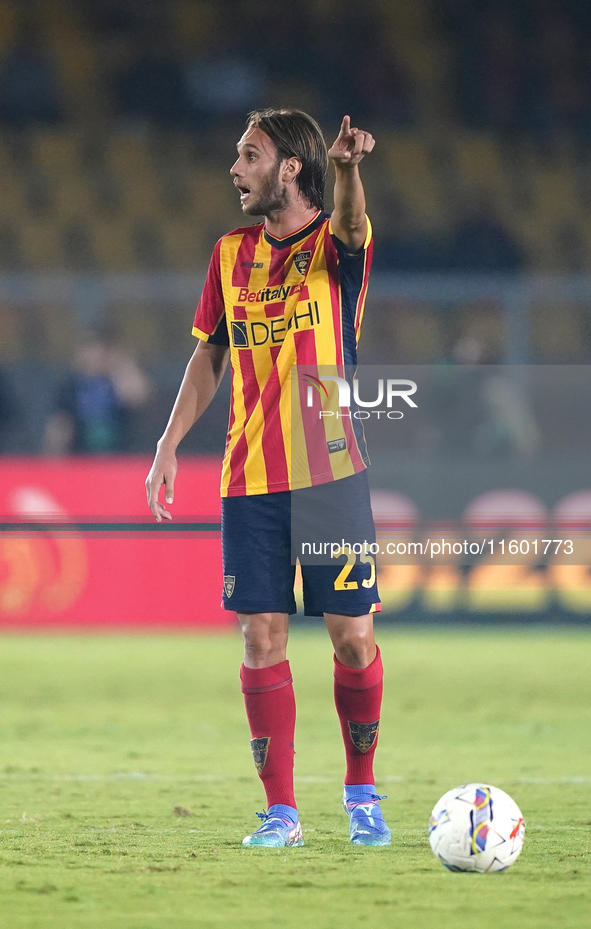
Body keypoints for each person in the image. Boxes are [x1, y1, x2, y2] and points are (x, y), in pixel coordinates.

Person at [146, 109, 389, 848]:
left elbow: (351, 225)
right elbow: (209, 356)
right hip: (248, 475)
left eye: (249, 155)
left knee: (350, 636)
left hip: (329, 472)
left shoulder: (334, 247)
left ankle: (360, 791)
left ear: (289, 167)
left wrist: (347, 170)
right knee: (260, 634)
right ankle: (281, 810)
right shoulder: (228, 254)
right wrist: (167, 442)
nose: (235, 167)